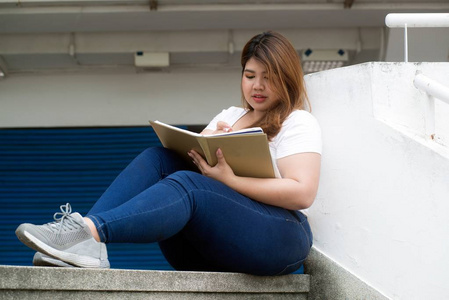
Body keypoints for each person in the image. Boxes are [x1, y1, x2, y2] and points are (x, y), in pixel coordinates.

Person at [15, 31, 321, 276]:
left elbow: (302, 193)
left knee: (189, 185)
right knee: (158, 158)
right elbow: (195, 161)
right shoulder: (231, 115)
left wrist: (230, 180)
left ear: (286, 77)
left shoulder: (297, 120)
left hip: (281, 238)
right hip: (214, 247)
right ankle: (84, 238)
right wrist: (208, 139)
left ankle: (89, 233)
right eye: (250, 75)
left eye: (268, 76)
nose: (258, 85)